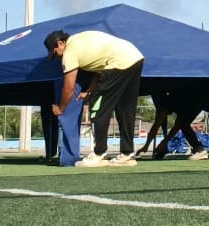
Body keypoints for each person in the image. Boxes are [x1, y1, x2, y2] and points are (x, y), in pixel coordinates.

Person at [44, 28, 144, 166]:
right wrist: (90, 90)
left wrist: (61, 108)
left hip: (117, 63)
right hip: (135, 57)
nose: (57, 58)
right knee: (125, 109)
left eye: (55, 53)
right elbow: (97, 67)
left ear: (60, 44)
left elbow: (69, 87)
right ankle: (127, 155)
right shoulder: (80, 40)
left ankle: (98, 154)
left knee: (97, 107)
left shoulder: (69, 52)